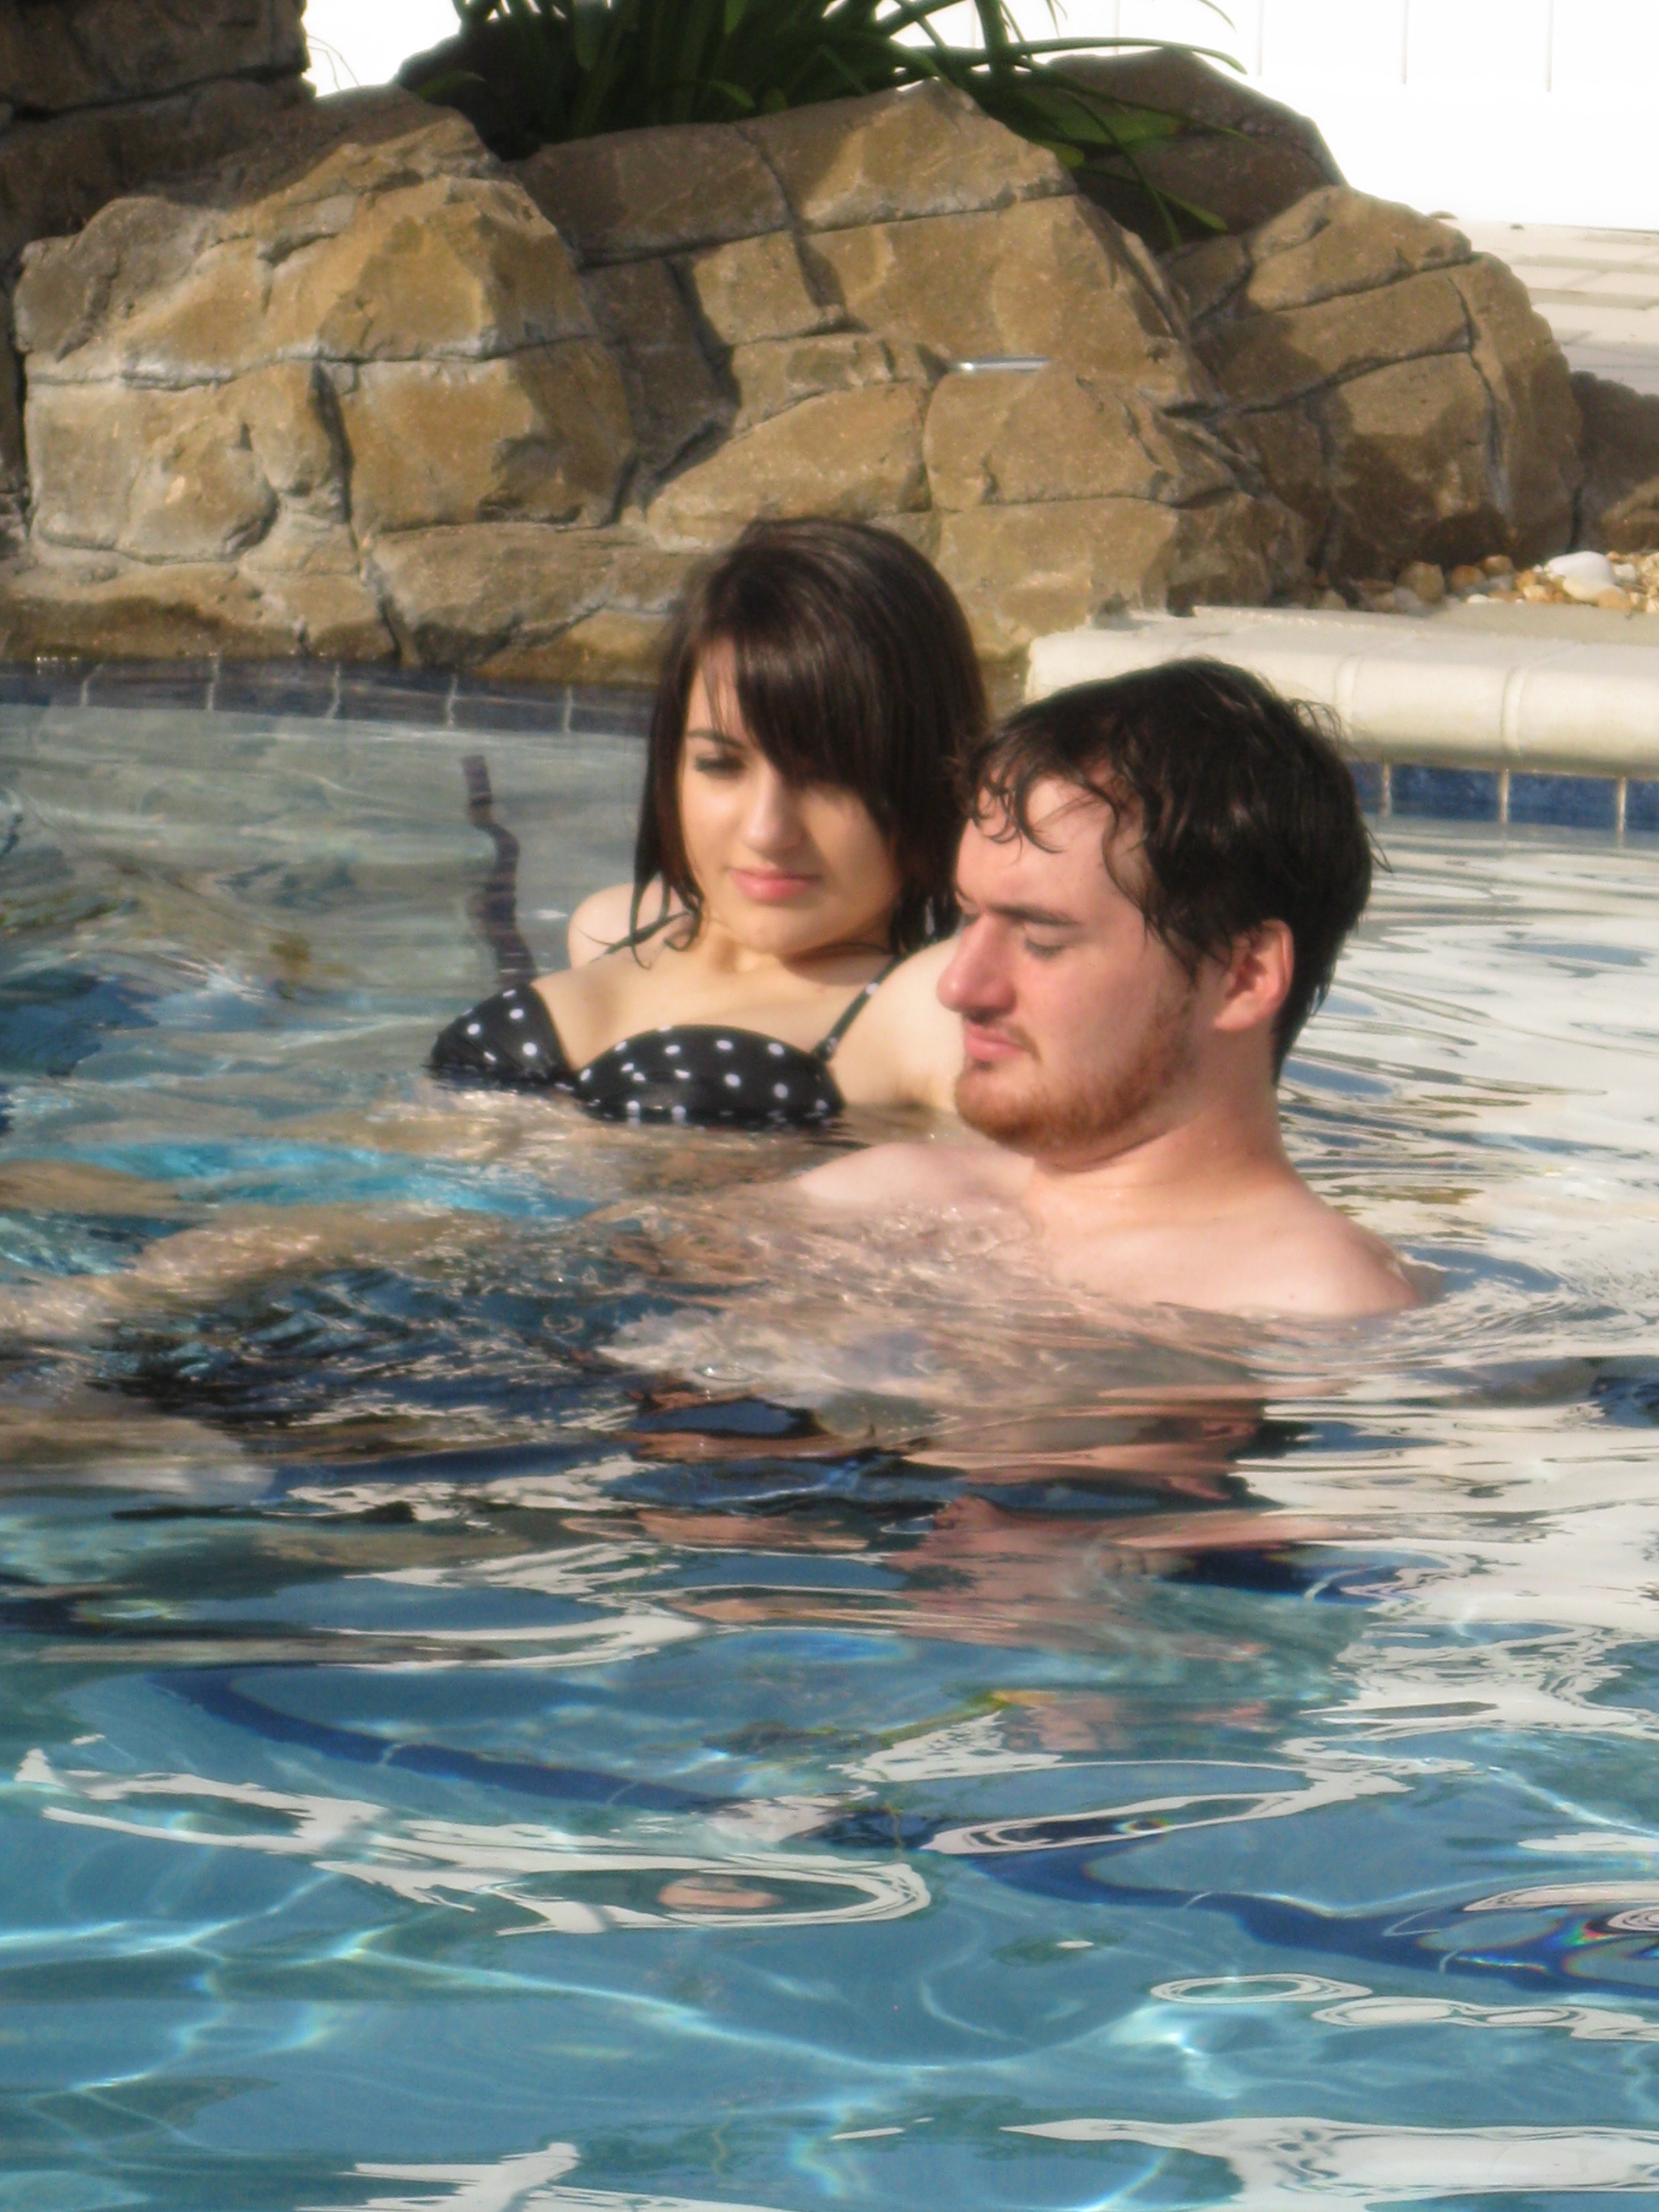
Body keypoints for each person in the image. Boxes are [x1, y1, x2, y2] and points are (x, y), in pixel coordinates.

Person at [797, 661, 1419, 1321]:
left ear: (1244, 977)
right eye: (968, 917)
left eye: (1041, 939)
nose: (957, 985)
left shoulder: (1313, 1299)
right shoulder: (873, 1197)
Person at [430, 519, 986, 1125]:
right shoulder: (612, 927)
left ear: (931, 778)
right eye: (720, 765)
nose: (766, 831)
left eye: (831, 776)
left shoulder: (939, 1007)